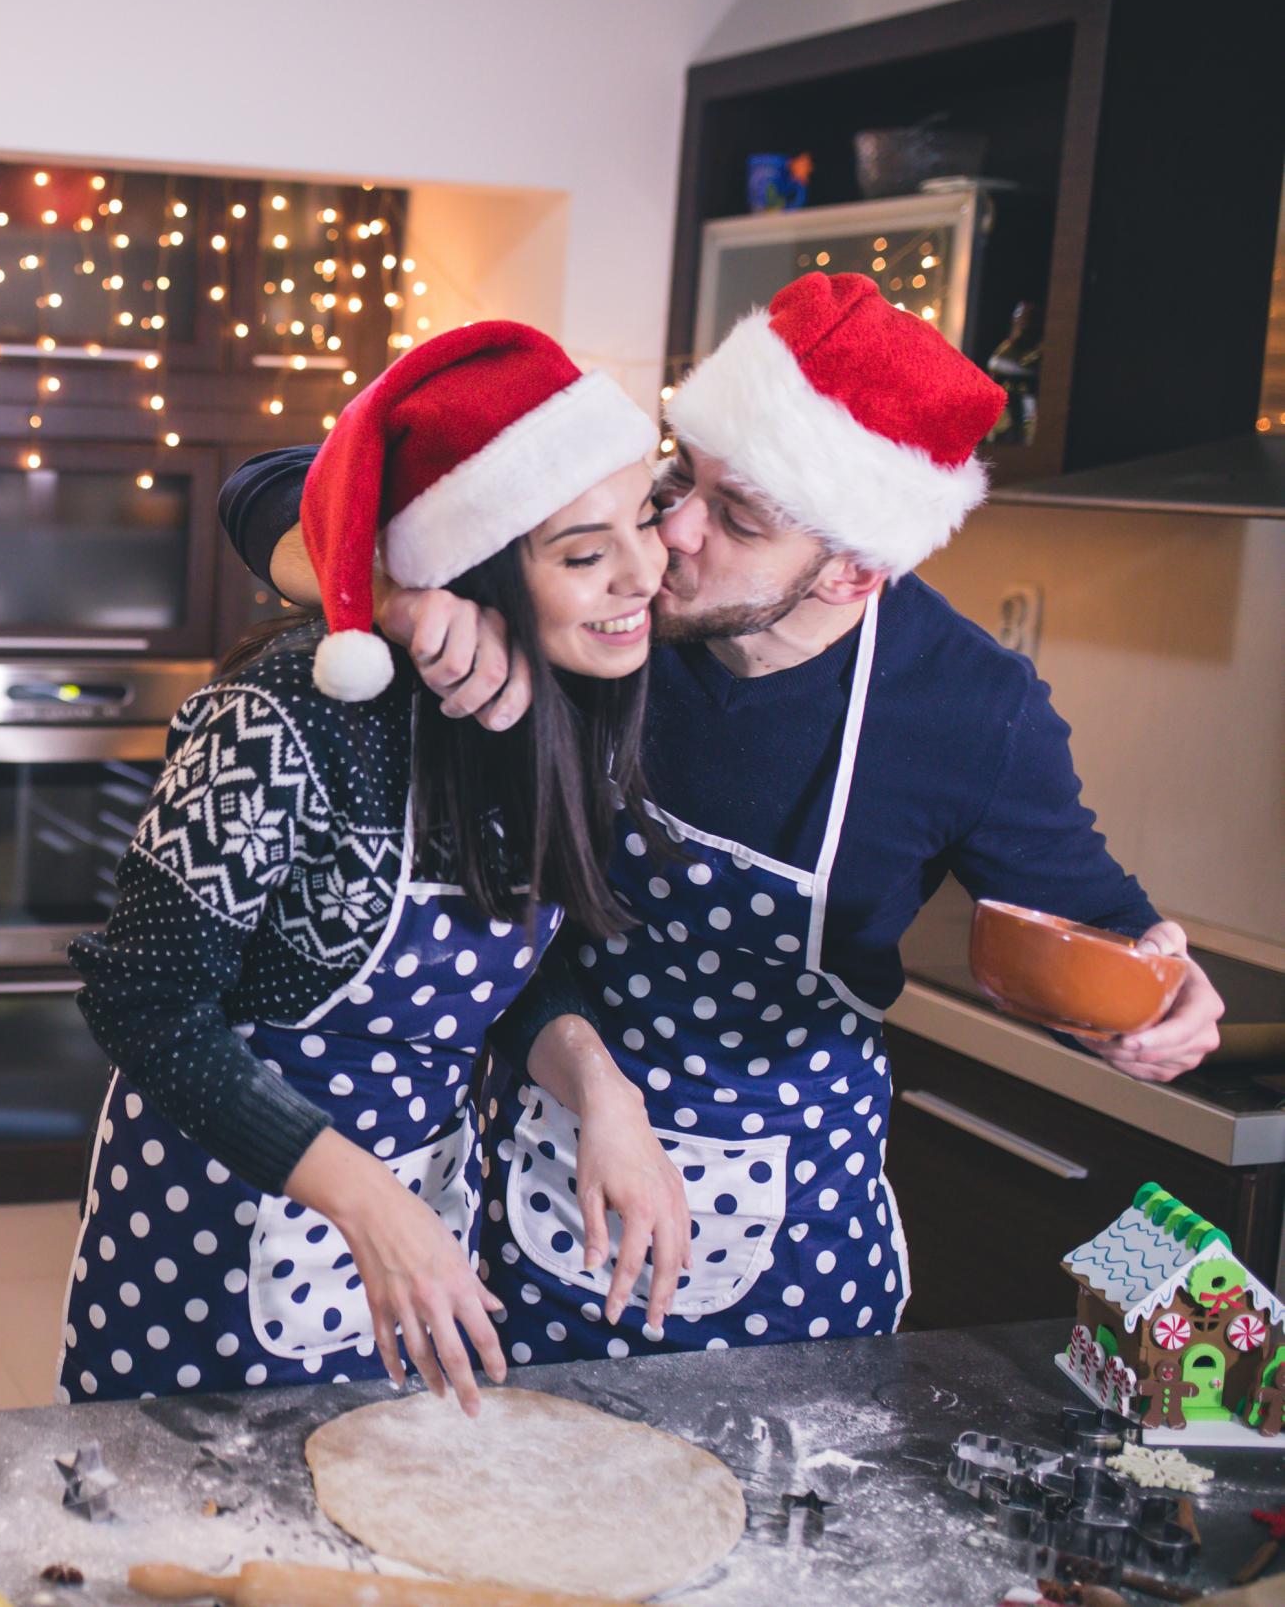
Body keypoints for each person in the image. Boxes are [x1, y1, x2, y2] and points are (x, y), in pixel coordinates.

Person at [214, 272, 1226, 1365]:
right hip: (540, 1163)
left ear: (854, 571)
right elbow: (267, 487)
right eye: (680, 476)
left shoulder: (969, 708)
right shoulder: (603, 605)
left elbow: (1098, 926)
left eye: (735, 517)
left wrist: (1165, 999)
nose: (671, 534)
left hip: (789, 1234)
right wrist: (404, 597)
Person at [60, 321, 688, 1410]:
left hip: (424, 1217)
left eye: (643, 520)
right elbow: (145, 1002)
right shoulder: (294, 709)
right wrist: (369, 1205)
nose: (644, 574)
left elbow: (506, 970)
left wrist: (606, 1096)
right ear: (477, 570)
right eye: (585, 555)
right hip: (219, 1226)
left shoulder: (569, 704)